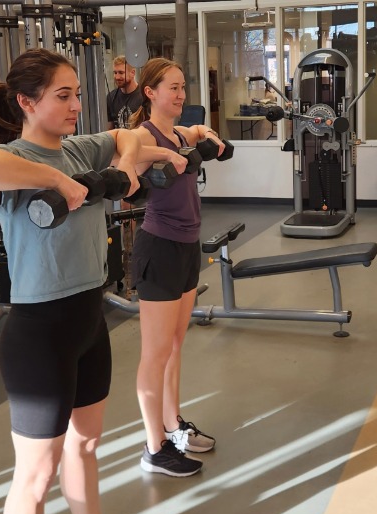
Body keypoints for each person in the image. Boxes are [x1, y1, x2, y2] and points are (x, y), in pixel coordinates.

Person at [0, 48, 153, 514]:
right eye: (62, 95)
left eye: (76, 94)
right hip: (40, 332)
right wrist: (57, 181)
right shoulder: (10, 159)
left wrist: (123, 165)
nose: (75, 105)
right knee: (36, 474)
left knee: (86, 445)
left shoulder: (81, 146)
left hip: (90, 320)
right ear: (27, 101)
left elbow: (128, 138)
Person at [128, 57, 226, 477]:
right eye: (173, 87)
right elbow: (127, 171)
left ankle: (174, 424)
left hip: (187, 247)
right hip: (160, 248)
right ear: (150, 92)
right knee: (154, 354)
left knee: (174, 347)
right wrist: (164, 158)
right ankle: (155, 447)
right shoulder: (141, 135)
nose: (182, 94)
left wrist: (209, 134)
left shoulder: (181, 131)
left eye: (184, 87)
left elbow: (199, 132)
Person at [107, 56, 142, 130]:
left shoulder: (144, 96)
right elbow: (109, 129)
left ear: (132, 73)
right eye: (115, 73)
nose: (117, 77)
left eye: (121, 73)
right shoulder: (111, 97)